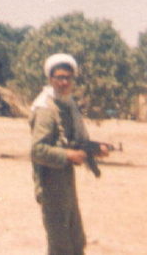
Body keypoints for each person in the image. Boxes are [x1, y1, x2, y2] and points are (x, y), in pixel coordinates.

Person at [29, 53, 109, 255]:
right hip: (50, 183)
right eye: (60, 77)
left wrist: (94, 150)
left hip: (65, 181)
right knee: (61, 245)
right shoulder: (46, 109)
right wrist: (68, 155)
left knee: (76, 240)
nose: (64, 82)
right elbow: (37, 150)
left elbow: (72, 141)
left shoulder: (66, 105)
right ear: (50, 79)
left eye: (68, 78)